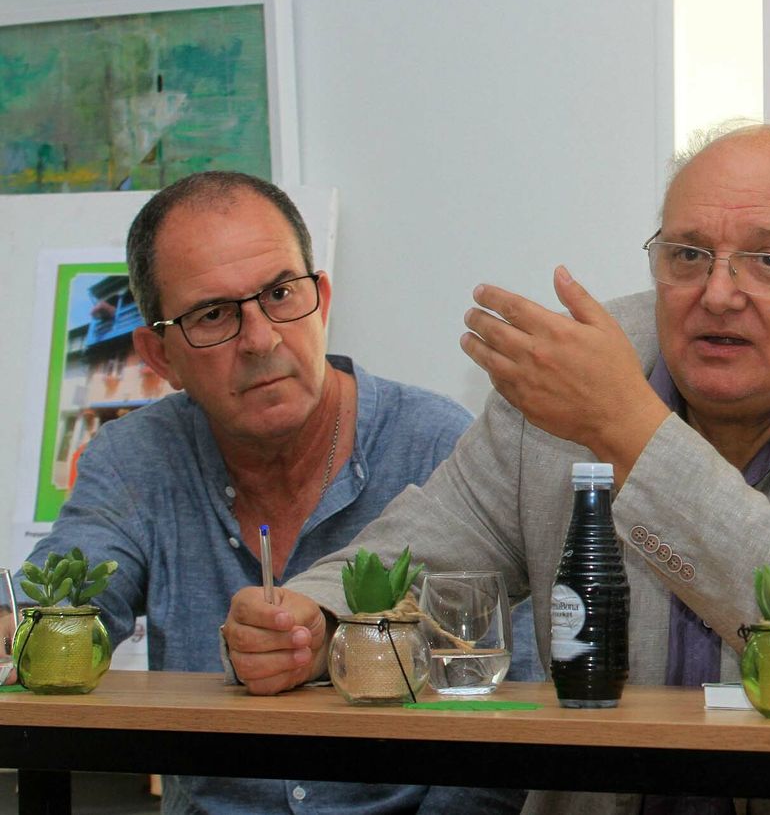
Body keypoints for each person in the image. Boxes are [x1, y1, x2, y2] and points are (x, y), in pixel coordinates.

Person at [222, 122, 770, 815]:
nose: (719, 294)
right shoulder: (589, 362)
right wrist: (309, 618)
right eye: (688, 255)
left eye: (768, 260)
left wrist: (627, 427)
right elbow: (428, 550)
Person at [26, 171, 533, 815]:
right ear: (159, 357)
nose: (261, 340)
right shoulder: (134, 461)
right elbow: (66, 602)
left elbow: (513, 714)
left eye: (280, 294)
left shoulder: (440, 447)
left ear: (321, 299)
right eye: (213, 315)